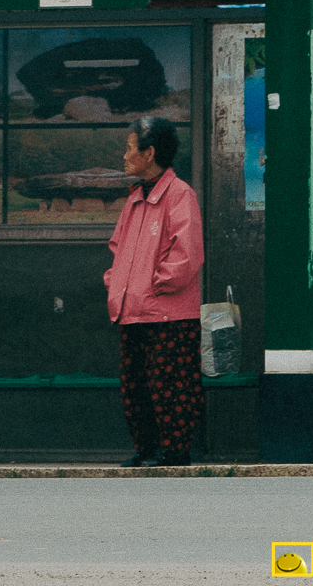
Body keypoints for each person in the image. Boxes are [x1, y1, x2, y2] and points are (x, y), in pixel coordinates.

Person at [103, 115, 204, 467]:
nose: (124, 155)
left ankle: (174, 451)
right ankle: (146, 449)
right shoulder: (134, 199)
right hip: (133, 310)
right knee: (136, 386)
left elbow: (187, 255)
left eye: (130, 148)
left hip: (168, 314)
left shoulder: (180, 195)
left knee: (170, 385)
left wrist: (152, 284)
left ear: (149, 153)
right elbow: (118, 249)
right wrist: (117, 283)